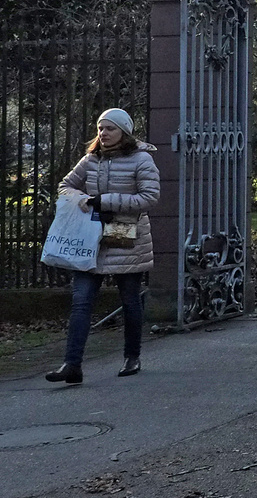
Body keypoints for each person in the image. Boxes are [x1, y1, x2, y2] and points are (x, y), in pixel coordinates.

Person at [47, 108, 159, 384]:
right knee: (81, 302)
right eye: (100, 128)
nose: (103, 134)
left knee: (130, 301)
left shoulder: (141, 159)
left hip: (126, 238)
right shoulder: (91, 159)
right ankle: (72, 365)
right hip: (91, 239)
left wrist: (105, 201)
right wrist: (82, 198)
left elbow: (149, 198)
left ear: (124, 132)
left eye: (110, 128)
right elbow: (64, 186)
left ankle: (132, 357)